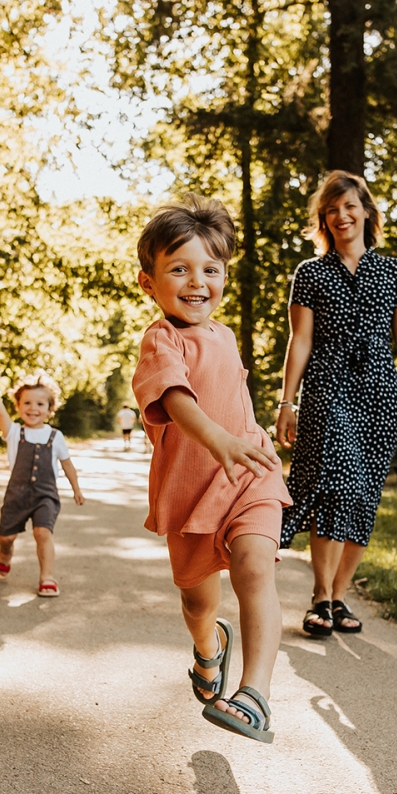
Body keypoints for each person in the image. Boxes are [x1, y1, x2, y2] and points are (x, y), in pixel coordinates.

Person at [132, 194, 292, 744]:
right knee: (198, 602)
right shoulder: (161, 339)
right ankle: (209, 648)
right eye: (178, 269)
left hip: (250, 473)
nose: (197, 281)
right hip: (192, 489)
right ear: (148, 282)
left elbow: (234, 398)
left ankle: (255, 695)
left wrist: (246, 439)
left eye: (210, 269)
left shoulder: (225, 334)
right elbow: (176, 398)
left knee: (255, 568)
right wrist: (217, 438)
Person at [275, 171, 397, 637]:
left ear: (366, 211)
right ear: (323, 219)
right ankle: (320, 598)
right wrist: (287, 402)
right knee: (337, 485)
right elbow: (300, 340)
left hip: (380, 393)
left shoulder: (392, 271)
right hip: (328, 389)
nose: (341, 215)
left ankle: (339, 597)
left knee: (363, 497)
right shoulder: (310, 274)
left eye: (349, 206)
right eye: (332, 209)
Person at [0, 370, 85, 596]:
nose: (33, 408)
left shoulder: (55, 436)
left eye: (40, 403)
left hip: (45, 495)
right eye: (27, 402)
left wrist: (76, 490)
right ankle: (5, 551)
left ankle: (46, 577)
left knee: (43, 533)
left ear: (50, 409)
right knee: (6, 537)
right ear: (18, 406)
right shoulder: (14, 432)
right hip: (16, 495)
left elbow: (67, 465)